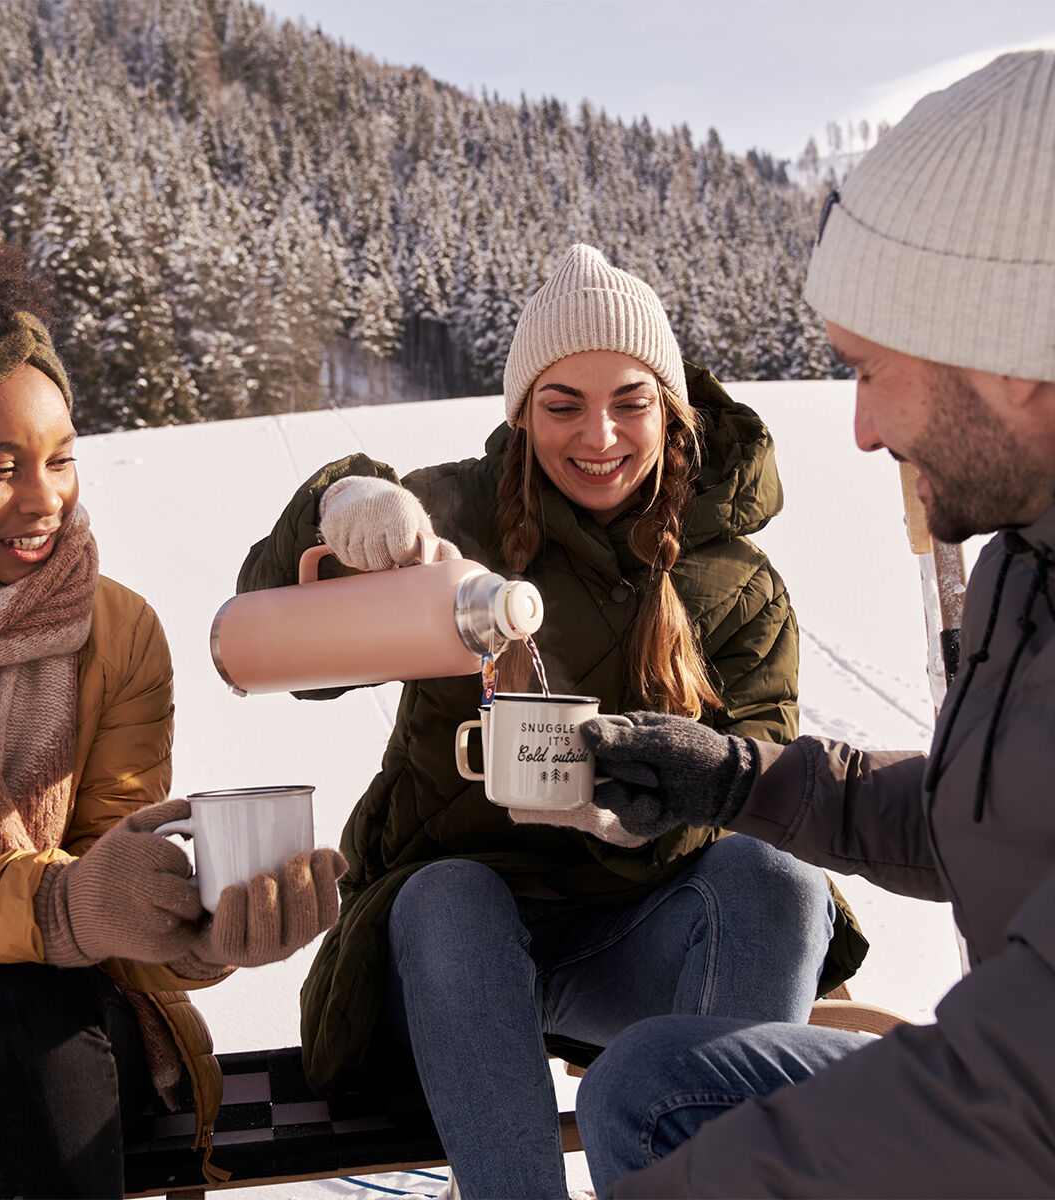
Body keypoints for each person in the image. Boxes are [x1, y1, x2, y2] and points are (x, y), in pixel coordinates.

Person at [237, 244, 867, 1198]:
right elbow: (285, 649)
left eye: (629, 401)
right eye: (561, 404)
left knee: (776, 875)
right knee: (452, 895)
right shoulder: (456, 514)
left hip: (639, 939)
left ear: (671, 408)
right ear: (523, 413)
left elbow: (766, 779)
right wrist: (340, 506)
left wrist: (651, 810)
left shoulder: (735, 583)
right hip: (447, 958)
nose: (598, 435)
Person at [561, 50, 1055, 1197]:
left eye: (873, 370)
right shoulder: (1028, 566)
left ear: (1014, 355)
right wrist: (736, 780)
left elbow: (1021, 1089)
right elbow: (970, 817)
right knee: (652, 1084)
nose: (863, 429)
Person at [0, 188, 344, 1199]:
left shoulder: (114, 632)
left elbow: (111, 890)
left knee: (21, 997)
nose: (44, 499)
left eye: (61, 460)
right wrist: (65, 905)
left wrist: (200, 936)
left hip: (57, 1037)